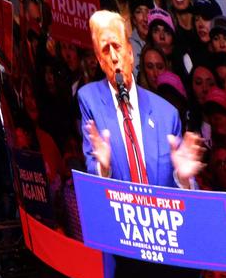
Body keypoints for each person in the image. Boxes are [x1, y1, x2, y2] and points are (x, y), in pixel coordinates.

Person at [79, 10, 204, 189]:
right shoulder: (90, 99)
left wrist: (184, 180)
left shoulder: (167, 114)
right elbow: (93, 167)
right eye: (106, 50)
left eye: (117, 46)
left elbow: (184, 195)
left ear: (130, 53)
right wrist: (103, 169)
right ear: (99, 60)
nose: (114, 58)